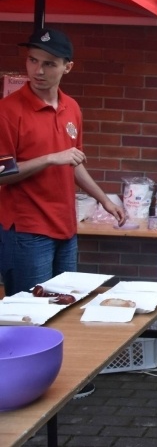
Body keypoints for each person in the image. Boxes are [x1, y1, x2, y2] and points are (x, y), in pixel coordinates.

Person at [0, 27, 126, 398]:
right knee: (32, 314)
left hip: (64, 226)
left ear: (67, 67)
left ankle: (62, 378)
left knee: (68, 307)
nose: (38, 70)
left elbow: (74, 162)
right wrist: (51, 158)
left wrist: (104, 199)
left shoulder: (72, 107)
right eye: (32, 61)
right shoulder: (8, 110)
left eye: (49, 63)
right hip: (25, 229)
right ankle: (27, 389)